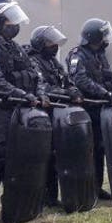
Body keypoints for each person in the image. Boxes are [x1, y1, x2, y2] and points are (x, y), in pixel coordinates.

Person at [0, 2, 44, 223]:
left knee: (17, 160)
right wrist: (19, 93)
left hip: (19, 111)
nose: (14, 26)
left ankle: (14, 207)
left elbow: (35, 74)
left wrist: (39, 93)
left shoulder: (15, 47)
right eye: (10, 21)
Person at [68, 18, 112, 200]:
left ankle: (97, 186)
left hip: (102, 109)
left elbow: (110, 78)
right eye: (102, 36)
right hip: (87, 108)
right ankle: (86, 188)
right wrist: (104, 94)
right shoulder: (78, 55)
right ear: (93, 37)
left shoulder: (100, 54)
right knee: (88, 150)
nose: (105, 39)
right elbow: (81, 80)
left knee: (100, 149)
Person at [27, 25, 80, 207]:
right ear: (40, 43)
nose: (54, 46)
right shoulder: (33, 61)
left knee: (55, 155)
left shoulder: (53, 62)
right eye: (50, 42)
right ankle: (40, 196)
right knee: (43, 156)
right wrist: (65, 93)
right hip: (42, 114)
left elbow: (67, 80)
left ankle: (51, 196)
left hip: (58, 113)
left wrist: (72, 90)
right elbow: (42, 87)